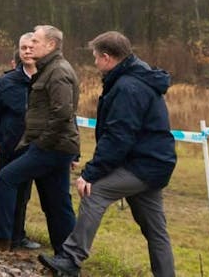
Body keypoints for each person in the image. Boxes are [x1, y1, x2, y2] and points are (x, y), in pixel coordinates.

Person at [40, 31, 176, 276]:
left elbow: (119, 137)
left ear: (106, 57)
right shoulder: (135, 77)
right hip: (153, 163)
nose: (94, 63)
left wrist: (91, 173)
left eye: (95, 57)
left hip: (143, 164)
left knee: (94, 192)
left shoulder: (127, 87)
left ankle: (71, 259)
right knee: (156, 230)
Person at [0, 25, 79, 253]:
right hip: (55, 146)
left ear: (50, 45)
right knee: (56, 202)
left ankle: (2, 240)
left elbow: (62, 113)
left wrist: (40, 142)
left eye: (36, 41)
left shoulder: (58, 71)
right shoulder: (48, 69)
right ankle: (67, 255)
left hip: (51, 147)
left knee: (7, 178)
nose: (32, 46)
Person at [0, 33, 42, 250]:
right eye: (23, 47)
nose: (27, 51)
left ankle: (18, 235)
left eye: (31, 47)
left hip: (36, 147)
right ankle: (2, 234)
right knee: (6, 189)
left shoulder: (49, 79)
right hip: (10, 145)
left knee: (24, 194)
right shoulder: (7, 81)